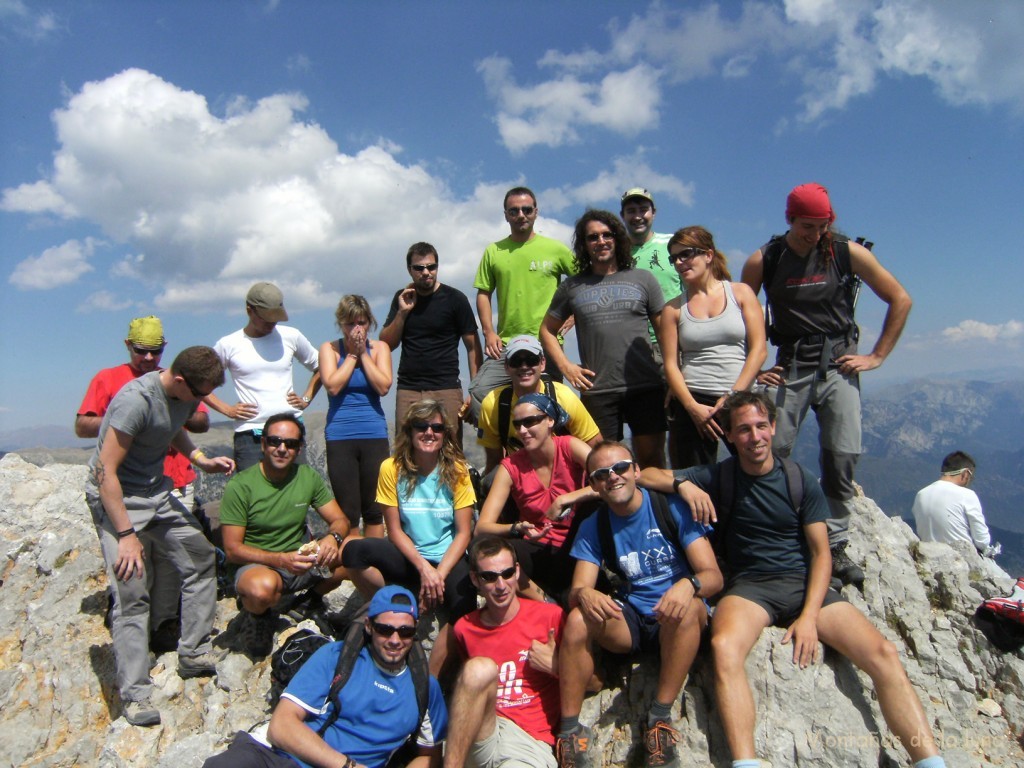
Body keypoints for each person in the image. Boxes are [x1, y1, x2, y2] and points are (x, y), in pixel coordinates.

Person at [656, 391, 945, 768]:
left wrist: (809, 617)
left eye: (761, 426)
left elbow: (822, 553)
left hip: (803, 583)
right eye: (743, 429)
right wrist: (684, 484)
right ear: (729, 436)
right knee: (725, 647)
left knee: (884, 654)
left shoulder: (799, 480)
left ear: (774, 428)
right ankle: (745, 763)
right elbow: (646, 473)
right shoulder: (718, 476)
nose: (755, 437)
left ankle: (929, 761)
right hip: (749, 588)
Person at [741, 183, 912, 585]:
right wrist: (755, 367)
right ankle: (779, 531)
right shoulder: (765, 259)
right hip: (790, 366)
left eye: (821, 225)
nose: (813, 234)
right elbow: (740, 316)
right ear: (790, 219)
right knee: (771, 451)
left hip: (839, 365)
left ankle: (833, 544)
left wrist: (877, 356)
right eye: (806, 225)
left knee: (842, 455)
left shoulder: (845, 251)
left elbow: (900, 298)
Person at [85, 346, 235, 727]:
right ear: (181, 381)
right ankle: (135, 696)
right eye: (199, 393)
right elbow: (106, 473)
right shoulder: (134, 402)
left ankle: (194, 652)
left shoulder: (181, 394)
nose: (203, 402)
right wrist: (125, 534)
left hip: (157, 493)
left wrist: (200, 459)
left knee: (201, 558)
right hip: (120, 501)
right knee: (132, 592)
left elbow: (174, 427)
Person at [555, 441, 722, 768]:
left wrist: (688, 585)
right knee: (577, 619)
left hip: (677, 618)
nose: (613, 477)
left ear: (635, 471)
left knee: (689, 608)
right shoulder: (596, 525)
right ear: (594, 485)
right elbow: (579, 588)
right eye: (602, 474)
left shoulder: (669, 507)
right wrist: (584, 594)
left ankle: (658, 720)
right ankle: (570, 731)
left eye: (620, 468)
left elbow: (713, 576)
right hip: (632, 618)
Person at [75, 315, 211, 652]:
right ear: (128, 346)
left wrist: (182, 406)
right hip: (129, 487)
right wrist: (128, 420)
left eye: (155, 351)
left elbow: (201, 422)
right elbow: (82, 425)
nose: (149, 358)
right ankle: (134, 627)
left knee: (171, 562)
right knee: (136, 562)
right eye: (141, 351)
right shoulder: (110, 380)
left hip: (174, 478)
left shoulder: (179, 381)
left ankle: (164, 624)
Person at [202, 585, 448, 768]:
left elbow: (428, 755)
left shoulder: (424, 687)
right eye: (385, 629)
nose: (395, 640)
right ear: (369, 627)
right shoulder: (337, 657)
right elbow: (281, 727)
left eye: (405, 632)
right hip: (282, 757)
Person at [342, 399, 477, 672]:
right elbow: (394, 530)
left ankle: (435, 679)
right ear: (410, 431)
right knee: (353, 552)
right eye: (421, 426)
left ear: (445, 434)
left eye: (437, 428)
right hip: (410, 557)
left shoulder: (458, 470)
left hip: (447, 557)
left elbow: (464, 532)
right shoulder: (391, 468)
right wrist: (423, 569)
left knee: (465, 607)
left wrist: (438, 574)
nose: (429, 433)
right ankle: (396, 605)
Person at [220, 412, 355, 656]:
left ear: (299, 448)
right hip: (261, 565)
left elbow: (340, 520)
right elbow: (232, 549)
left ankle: (306, 602)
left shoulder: (306, 476)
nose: (282, 449)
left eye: (290, 444)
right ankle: (258, 615)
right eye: (275, 441)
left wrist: (331, 538)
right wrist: (280, 560)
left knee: (358, 548)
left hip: (301, 560)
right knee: (262, 589)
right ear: (263, 444)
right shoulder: (241, 485)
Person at [540, 210, 667, 469]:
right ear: (584, 245)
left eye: (607, 235)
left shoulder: (643, 279)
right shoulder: (573, 286)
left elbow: (666, 330)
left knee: (652, 464)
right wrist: (566, 366)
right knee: (603, 467)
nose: (601, 241)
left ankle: (655, 510)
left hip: (645, 385)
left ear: (617, 238)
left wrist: (672, 371)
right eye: (593, 237)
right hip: (598, 390)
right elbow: (546, 329)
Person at [442, 536, 568, 768]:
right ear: (475, 579)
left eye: (507, 574)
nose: (501, 585)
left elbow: (593, 682)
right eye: (489, 577)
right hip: (480, 734)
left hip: (527, 741)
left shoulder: (551, 617)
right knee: (479, 668)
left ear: (517, 572)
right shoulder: (464, 628)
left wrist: (557, 667)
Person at [660, 226, 766, 469]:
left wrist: (733, 395)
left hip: (740, 397)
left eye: (686, 254)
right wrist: (691, 407)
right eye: (674, 258)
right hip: (694, 400)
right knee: (693, 477)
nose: (679, 263)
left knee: (755, 468)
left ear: (708, 255)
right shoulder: (673, 309)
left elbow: (759, 349)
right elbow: (671, 365)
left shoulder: (741, 294)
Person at [476, 394, 598, 605]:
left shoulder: (570, 446)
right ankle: (545, 602)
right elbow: (482, 527)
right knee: (487, 548)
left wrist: (566, 499)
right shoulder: (511, 466)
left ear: (550, 420)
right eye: (518, 424)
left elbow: (611, 479)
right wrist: (516, 528)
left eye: (530, 421)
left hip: (580, 544)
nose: (522, 430)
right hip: (538, 547)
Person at [469, 186, 576, 419]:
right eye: (514, 210)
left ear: (536, 212)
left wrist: (574, 314)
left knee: (549, 404)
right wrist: (488, 332)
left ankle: (549, 451)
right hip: (507, 343)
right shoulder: (493, 251)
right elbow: (483, 293)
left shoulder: (555, 249)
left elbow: (583, 282)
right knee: (479, 392)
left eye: (527, 209)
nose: (521, 215)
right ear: (506, 214)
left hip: (547, 342)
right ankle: (506, 442)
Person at [207, 282, 322, 471]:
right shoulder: (229, 344)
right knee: (253, 495)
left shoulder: (291, 336)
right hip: (250, 433)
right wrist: (227, 410)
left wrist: (307, 398)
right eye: (266, 318)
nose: (272, 323)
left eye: (276, 319)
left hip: (291, 430)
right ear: (249, 311)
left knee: (296, 495)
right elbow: (196, 379)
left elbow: (321, 366)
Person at [381, 241, 482, 446]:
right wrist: (402, 312)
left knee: (450, 452)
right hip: (409, 388)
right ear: (410, 270)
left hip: (446, 388)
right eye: (419, 268)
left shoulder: (455, 299)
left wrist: (475, 390)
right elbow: (386, 344)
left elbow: (473, 347)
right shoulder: (401, 298)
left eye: (431, 266)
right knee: (405, 451)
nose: (426, 272)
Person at [320, 295, 392, 539]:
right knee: (348, 510)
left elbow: (383, 386)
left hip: (373, 432)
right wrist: (351, 355)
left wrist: (364, 355)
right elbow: (332, 385)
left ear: (369, 323)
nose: (356, 329)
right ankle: (352, 565)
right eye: (350, 324)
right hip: (341, 435)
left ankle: (374, 563)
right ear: (341, 324)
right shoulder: (329, 349)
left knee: (374, 509)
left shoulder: (379, 349)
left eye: (361, 323)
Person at [477, 335, 602, 474]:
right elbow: (494, 461)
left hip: (566, 473)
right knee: (490, 481)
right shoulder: (493, 404)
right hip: (521, 476)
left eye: (531, 360)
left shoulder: (563, 397)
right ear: (506, 367)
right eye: (516, 361)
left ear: (542, 363)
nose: (524, 367)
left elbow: (596, 448)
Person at [913, 451, 997, 555]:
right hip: (961, 558)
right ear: (965, 473)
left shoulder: (921, 494)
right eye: (971, 477)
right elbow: (982, 541)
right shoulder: (967, 495)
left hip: (928, 554)